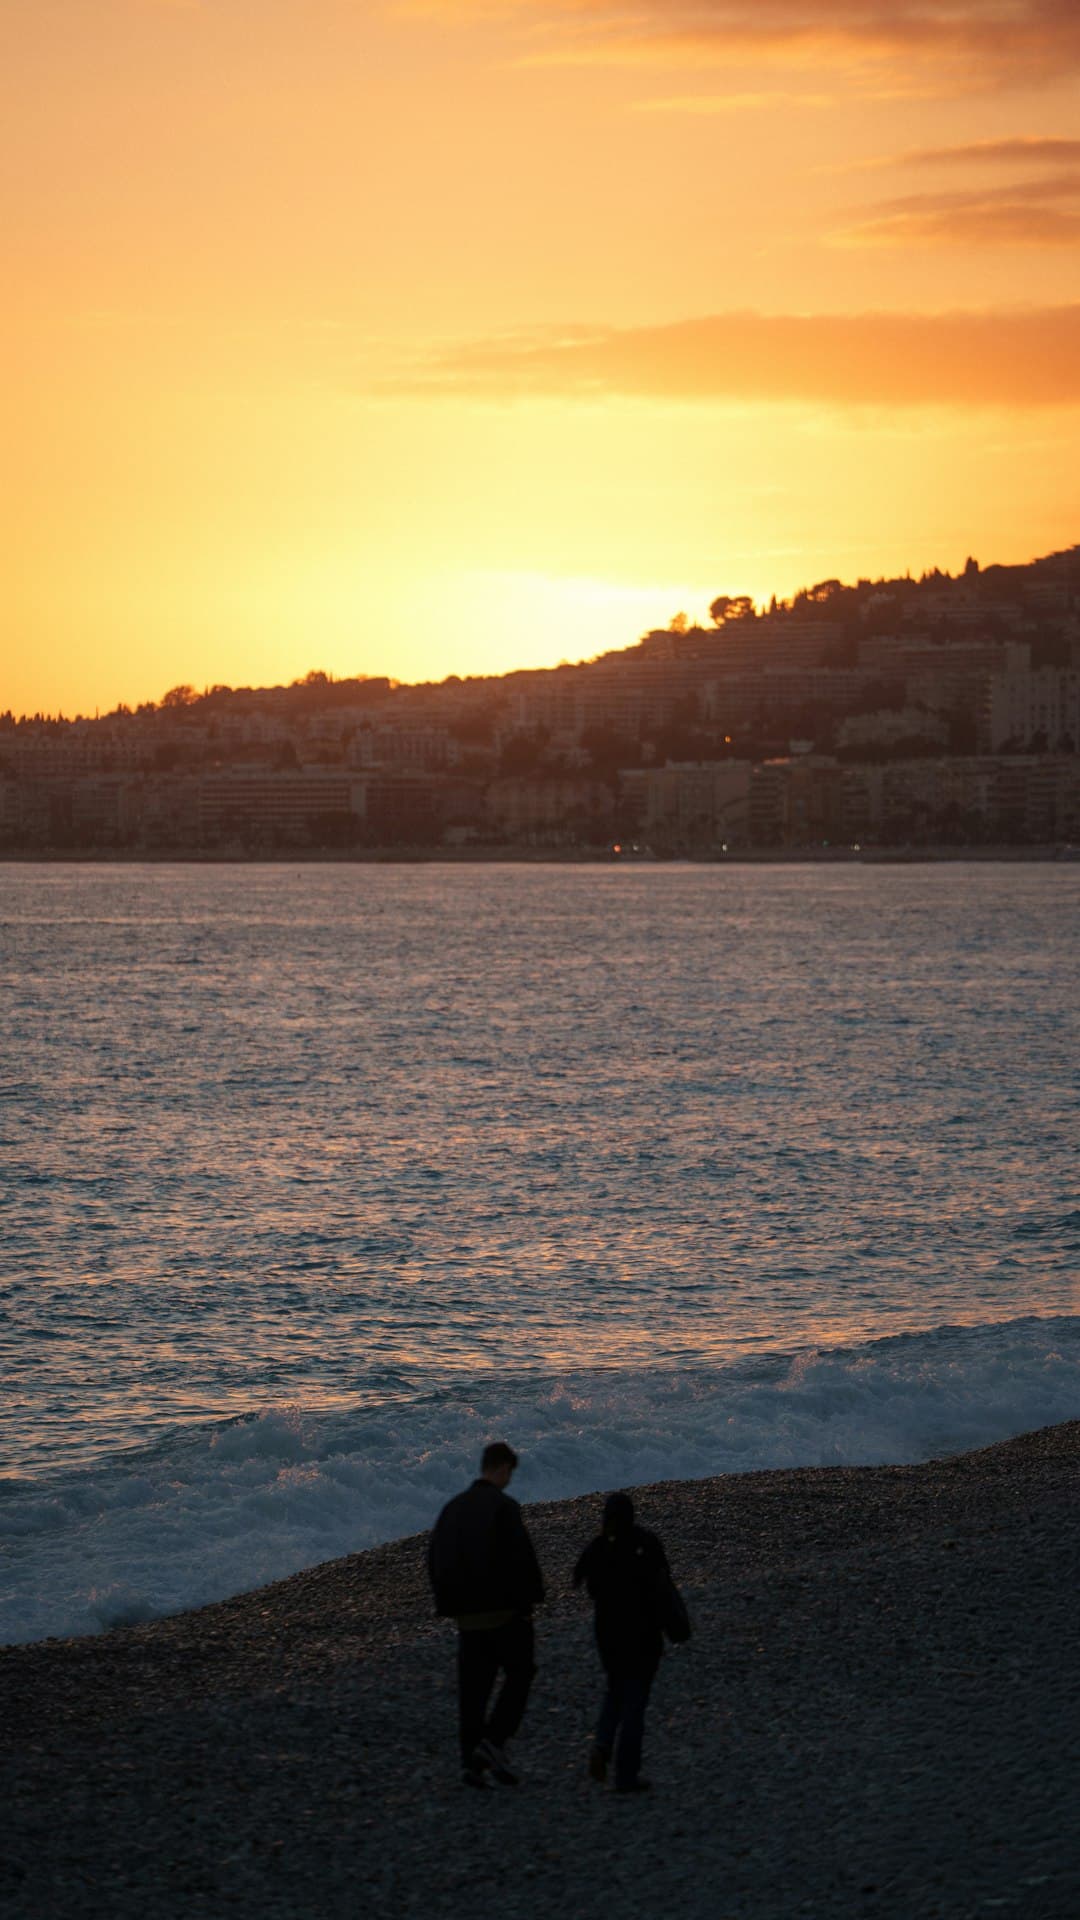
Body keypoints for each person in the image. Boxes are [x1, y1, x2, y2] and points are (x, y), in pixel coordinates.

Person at [427, 1441, 544, 1788]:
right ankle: (494, 1742)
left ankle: (470, 1762)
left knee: (473, 1690)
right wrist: (530, 1600)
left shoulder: (452, 1508)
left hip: (465, 1617)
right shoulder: (503, 1507)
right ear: (503, 1468)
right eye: (510, 1472)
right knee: (521, 1673)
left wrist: (447, 1605)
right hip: (503, 1613)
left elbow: (435, 1559)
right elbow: (520, 1558)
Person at [573, 1491, 672, 1794]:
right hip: (643, 1635)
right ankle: (626, 1775)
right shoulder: (646, 1543)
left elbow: (580, 1581)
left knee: (615, 1688)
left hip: (608, 1636)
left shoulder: (598, 1548)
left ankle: (603, 1743)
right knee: (635, 1703)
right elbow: (664, 1583)